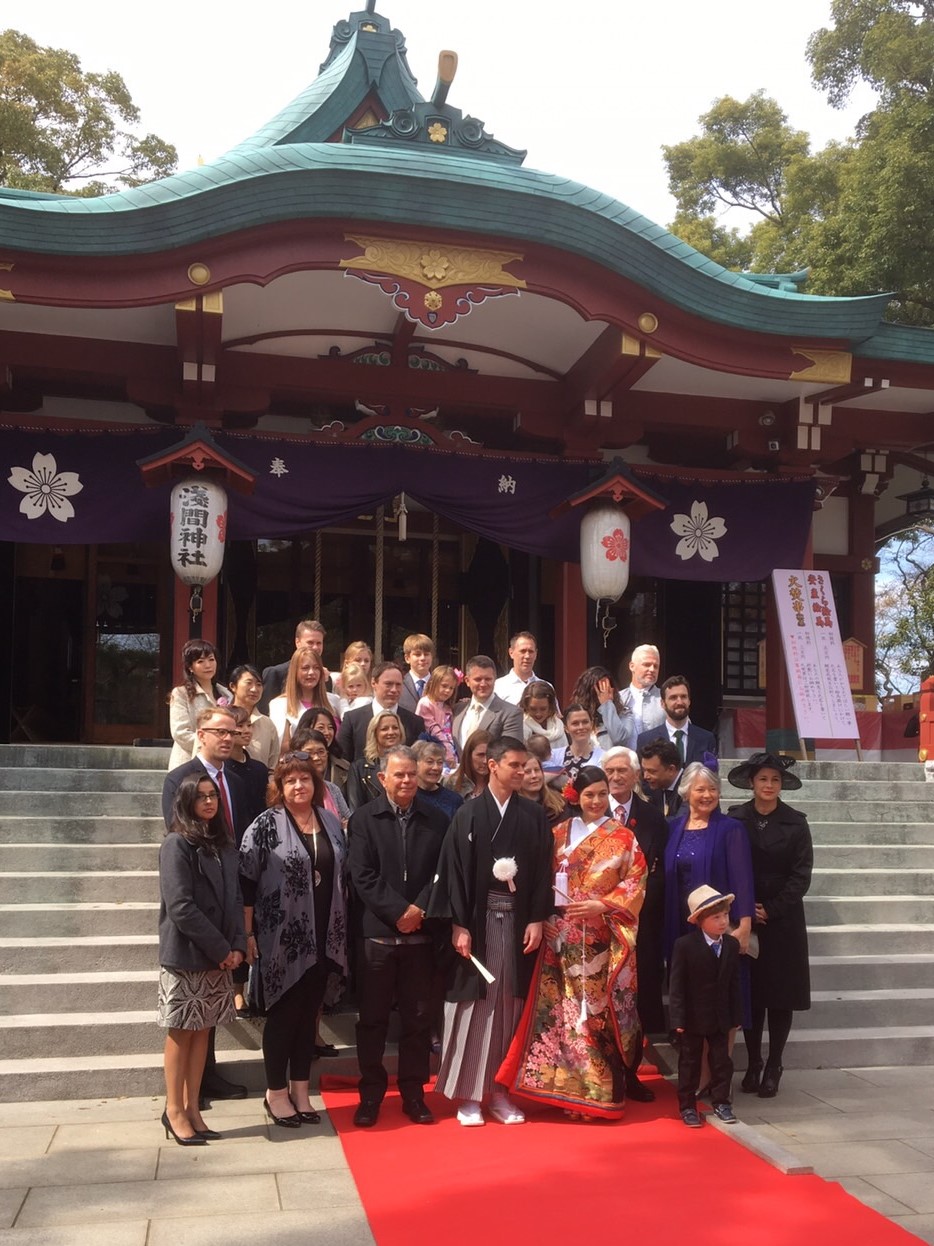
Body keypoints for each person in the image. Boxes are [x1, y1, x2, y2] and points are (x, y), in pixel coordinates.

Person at [498, 765, 646, 1121]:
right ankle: (566, 1092)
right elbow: (539, 881)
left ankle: (598, 1092)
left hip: (600, 939)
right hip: (560, 937)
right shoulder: (558, 833)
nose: (595, 801)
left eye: (601, 794)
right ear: (574, 796)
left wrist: (604, 905)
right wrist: (546, 916)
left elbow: (636, 883)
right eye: (588, 794)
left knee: (595, 1017)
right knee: (563, 1016)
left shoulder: (624, 837)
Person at [429, 736, 553, 1127]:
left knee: (509, 1008)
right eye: (513, 765)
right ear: (492, 765)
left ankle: (500, 1091)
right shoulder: (468, 814)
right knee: (474, 1006)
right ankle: (468, 1094)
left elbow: (542, 872)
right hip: (478, 923)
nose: (521, 772)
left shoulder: (533, 816)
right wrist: (459, 925)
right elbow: (453, 872)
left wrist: (536, 917)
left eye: (524, 766)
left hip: (517, 922)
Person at [239, 752, 348, 1127]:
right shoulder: (265, 825)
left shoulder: (331, 821)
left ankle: (301, 1090)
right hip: (281, 938)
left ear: (317, 784)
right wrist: (248, 933)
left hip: (325, 934)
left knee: (309, 1019)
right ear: (280, 787)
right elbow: (246, 883)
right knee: (284, 1017)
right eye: (291, 781)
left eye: (305, 779)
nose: (299, 786)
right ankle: (276, 1093)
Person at [348, 746, 449, 1127]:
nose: (406, 781)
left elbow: (443, 873)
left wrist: (419, 911)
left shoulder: (437, 820)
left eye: (411, 774)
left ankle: (413, 1093)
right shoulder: (363, 819)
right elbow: (362, 875)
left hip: (421, 937)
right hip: (377, 938)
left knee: (418, 1021)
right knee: (372, 1020)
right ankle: (371, 1094)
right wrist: (397, 912)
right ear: (382, 779)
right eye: (399, 775)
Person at [162, 705, 249, 1103]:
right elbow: (180, 848)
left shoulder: (239, 778)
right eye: (220, 731)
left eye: (234, 731)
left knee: (209, 1019)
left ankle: (202, 1087)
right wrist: (219, 942)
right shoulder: (179, 780)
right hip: (195, 927)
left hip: (228, 906)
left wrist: (236, 938)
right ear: (200, 732)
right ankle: (183, 1102)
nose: (228, 738)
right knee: (187, 1027)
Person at [158, 773, 245, 1145]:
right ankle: (173, 1110)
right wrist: (221, 949)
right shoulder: (177, 844)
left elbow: (236, 900)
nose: (209, 802)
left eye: (213, 796)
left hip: (221, 955)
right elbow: (181, 906)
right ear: (187, 802)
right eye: (201, 797)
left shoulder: (223, 845)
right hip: (189, 954)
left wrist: (238, 946)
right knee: (182, 1033)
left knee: (204, 1034)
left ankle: (193, 1108)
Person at [727, 752, 813, 1099]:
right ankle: (754, 1063)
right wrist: (746, 908)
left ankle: (775, 1064)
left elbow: (801, 875)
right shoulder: (736, 818)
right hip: (745, 915)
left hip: (783, 919)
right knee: (752, 994)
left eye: (775, 780)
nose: (769, 785)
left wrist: (772, 910)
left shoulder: (796, 822)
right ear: (752, 782)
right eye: (763, 779)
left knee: (780, 996)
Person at [602, 745, 669, 1096]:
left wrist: (632, 905)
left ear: (635, 774)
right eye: (609, 771)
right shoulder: (588, 812)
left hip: (638, 923)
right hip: (596, 925)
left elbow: (656, 874)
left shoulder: (653, 817)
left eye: (621, 771)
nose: (615, 777)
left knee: (635, 1000)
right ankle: (598, 1074)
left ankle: (630, 1072)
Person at [669, 885, 742, 1127]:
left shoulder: (731, 945)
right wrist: (677, 1019)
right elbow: (677, 985)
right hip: (693, 1016)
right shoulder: (685, 945)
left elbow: (734, 983)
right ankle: (687, 1105)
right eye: (715, 917)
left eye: (725, 916)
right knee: (689, 1061)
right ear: (700, 922)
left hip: (721, 1015)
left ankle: (722, 1101)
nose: (722, 922)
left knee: (722, 1060)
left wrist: (736, 1014)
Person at [337, 662, 423, 765]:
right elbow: (342, 761)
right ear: (374, 683)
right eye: (388, 684)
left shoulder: (415, 722)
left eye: (398, 685)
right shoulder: (352, 719)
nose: (394, 690)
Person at [166, 640, 232, 770]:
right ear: (190, 667)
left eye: (211, 659)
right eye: (200, 661)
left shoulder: (226, 694)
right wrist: (211, 746)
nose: (208, 665)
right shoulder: (181, 694)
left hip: (221, 764)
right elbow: (180, 733)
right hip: (189, 762)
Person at [269, 648, 339, 755]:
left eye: (316, 668)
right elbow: (278, 747)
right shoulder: (279, 704)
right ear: (295, 671)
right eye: (305, 668)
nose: (311, 673)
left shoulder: (334, 701)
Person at [636, 675, 717, 765]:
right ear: (663, 703)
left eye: (683, 697)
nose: (679, 702)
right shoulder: (646, 740)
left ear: (689, 701)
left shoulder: (706, 739)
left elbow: (711, 775)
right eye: (673, 698)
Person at [452, 656, 523, 750]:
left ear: (495, 680)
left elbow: (511, 752)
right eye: (478, 679)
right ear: (467, 681)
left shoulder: (511, 713)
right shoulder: (456, 710)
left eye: (488, 679)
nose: (483, 684)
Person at [260, 618, 327, 713]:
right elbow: (265, 715)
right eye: (310, 642)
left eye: (319, 643)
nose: (315, 647)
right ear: (297, 642)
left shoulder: (325, 677)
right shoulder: (275, 673)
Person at [291, 726, 351, 827]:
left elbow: (349, 821)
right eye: (309, 753)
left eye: (321, 752)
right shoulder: (294, 789)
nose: (316, 758)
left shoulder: (332, 789)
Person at [346, 711, 404, 810]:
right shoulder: (359, 768)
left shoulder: (409, 763)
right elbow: (355, 809)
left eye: (395, 728)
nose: (391, 732)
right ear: (375, 733)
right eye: (384, 729)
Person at [568, 666, 635, 750]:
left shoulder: (624, 714)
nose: (604, 693)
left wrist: (607, 704)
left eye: (607, 688)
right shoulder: (577, 716)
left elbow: (619, 739)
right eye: (600, 689)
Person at [228, 663, 279, 772]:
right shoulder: (219, 719)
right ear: (233, 686)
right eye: (249, 683)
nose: (254, 689)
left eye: (259, 684)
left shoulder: (267, 724)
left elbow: (273, 765)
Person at [226, 707, 271, 826]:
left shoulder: (259, 769)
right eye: (240, 725)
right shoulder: (220, 769)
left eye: (249, 725)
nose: (247, 731)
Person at [294, 705, 349, 794]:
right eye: (321, 728)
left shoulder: (344, 766)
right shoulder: (291, 764)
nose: (327, 732)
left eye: (330, 728)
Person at [546, 703, 604, 784]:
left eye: (585, 722)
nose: (581, 727)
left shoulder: (603, 757)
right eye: (575, 723)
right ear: (566, 728)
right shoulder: (554, 756)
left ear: (591, 724)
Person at [415, 665, 460, 769]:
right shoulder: (425, 703)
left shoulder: (447, 707)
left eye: (451, 688)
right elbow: (434, 730)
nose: (448, 691)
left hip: (450, 750)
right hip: (435, 752)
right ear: (433, 683)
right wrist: (447, 752)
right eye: (444, 686)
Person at [618, 644, 665, 736]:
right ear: (632, 666)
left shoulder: (666, 698)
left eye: (656, 666)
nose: (652, 669)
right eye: (646, 664)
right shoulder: (618, 698)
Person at [413, 739, 464, 822]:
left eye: (440, 762)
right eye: (430, 762)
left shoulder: (454, 800)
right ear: (415, 764)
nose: (436, 767)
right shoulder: (408, 797)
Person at [493, 631, 550, 705]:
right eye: (523, 651)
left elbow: (555, 715)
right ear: (511, 653)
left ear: (536, 654)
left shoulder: (546, 687)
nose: (527, 656)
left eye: (531, 651)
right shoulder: (498, 686)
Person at [639, 738, 684, 818]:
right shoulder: (649, 790)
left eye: (652, 771)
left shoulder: (691, 790)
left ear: (671, 769)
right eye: (644, 770)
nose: (646, 776)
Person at [519, 752, 566, 827]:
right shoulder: (515, 810)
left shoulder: (560, 800)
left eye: (537, 770)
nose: (534, 776)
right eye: (527, 772)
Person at [445, 728, 492, 801]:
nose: (485, 761)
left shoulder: (501, 786)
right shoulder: (452, 784)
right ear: (469, 755)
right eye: (480, 755)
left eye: (489, 755)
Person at [519, 680, 566, 749]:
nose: (538, 714)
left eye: (543, 709)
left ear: (550, 706)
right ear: (526, 706)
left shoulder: (558, 726)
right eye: (533, 709)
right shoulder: (521, 728)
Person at [398, 632, 435, 712]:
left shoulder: (439, 684)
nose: (422, 658)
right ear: (407, 658)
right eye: (417, 654)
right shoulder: (399, 683)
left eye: (426, 654)